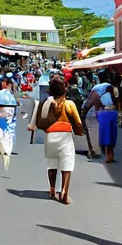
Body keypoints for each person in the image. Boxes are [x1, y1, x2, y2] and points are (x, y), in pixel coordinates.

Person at [35, 76, 84, 205]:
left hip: (50, 136)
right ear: (65, 89)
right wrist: (80, 132)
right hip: (65, 137)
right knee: (67, 163)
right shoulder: (69, 104)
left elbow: (38, 122)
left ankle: (52, 189)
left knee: (52, 162)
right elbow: (78, 123)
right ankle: (64, 192)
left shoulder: (45, 104)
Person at [82, 71, 119, 163]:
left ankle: (106, 153)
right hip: (108, 112)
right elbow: (115, 100)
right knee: (110, 133)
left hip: (99, 112)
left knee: (104, 133)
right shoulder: (109, 87)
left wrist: (84, 111)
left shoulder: (96, 87)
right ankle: (109, 155)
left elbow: (90, 101)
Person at [0, 78, 19, 171]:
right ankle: (8, 149)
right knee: (9, 130)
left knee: (1, 131)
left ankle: (4, 149)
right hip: (11, 112)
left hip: (2, 111)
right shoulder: (12, 94)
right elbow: (16, 106)